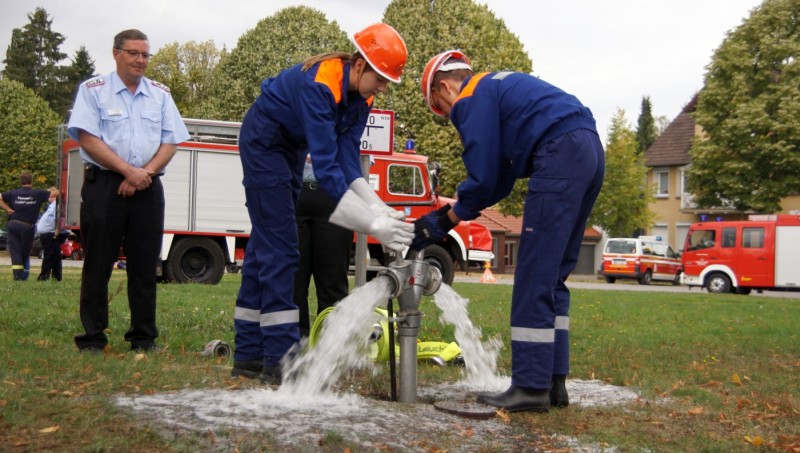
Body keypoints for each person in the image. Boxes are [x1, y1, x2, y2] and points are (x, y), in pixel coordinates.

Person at [415, 50, 605, 412]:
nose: (450, 117)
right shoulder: (497, 87)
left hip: (559, 151)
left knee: (534, 274)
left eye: (440, 108)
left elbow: (484, 178)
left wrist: (441, 220)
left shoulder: (470, 96)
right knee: (553, 278)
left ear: (443, 87)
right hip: (588, 148)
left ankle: (530, 387)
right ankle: (553, 382)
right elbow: (497, 182)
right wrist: (452, 215)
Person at [232, 23, 413, 384]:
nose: (382, 87)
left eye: (387, 82)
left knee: (265, 247)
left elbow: (348, 156)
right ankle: (282, 359)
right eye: (379, 77)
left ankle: (249, 354)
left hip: (289, 148)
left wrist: (378, 207)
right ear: (359, 64)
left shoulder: (362, 97)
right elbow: (328, 169)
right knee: (283, 249)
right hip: (265, 142)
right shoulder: (320, 85)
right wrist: (372, 225)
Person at [66, 29, 190, 353]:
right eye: (134, 53)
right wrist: (127, 171)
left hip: (148, 187)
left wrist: (142, 174)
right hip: (105, 185)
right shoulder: (94, 91)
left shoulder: (161, 94)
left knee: (145, 266)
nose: (140, 60)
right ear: (116, 53)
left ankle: (143, 339)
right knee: (98, 265)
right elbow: (88, 138)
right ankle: (92, 339)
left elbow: (171, 141)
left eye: (145, 54)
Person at [294, 155, 354, 338]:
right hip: (294, 191)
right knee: (292, 278)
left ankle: (331, 342)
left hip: (334, 194)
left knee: (333, 279)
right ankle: (292, 342)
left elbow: (360, 156)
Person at [0, 173, 58, 280]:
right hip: (27, 226)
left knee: (15, 250)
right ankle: (22, 275)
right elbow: (56, 193)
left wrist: (7, 209)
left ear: (21, 182)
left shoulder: (13, 193)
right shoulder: (38, 193)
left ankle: (17, 276)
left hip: (13, 224)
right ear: (32, 181)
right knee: (25, 251)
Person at [36, 189, 68, 281]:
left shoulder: (57, 205)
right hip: (49, 233)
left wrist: (56, 233)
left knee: (49, 256)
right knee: (55, 256)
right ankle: (56, 277)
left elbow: (57, 219)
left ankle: (43, 276)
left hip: (51, 234)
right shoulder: (54, 205)